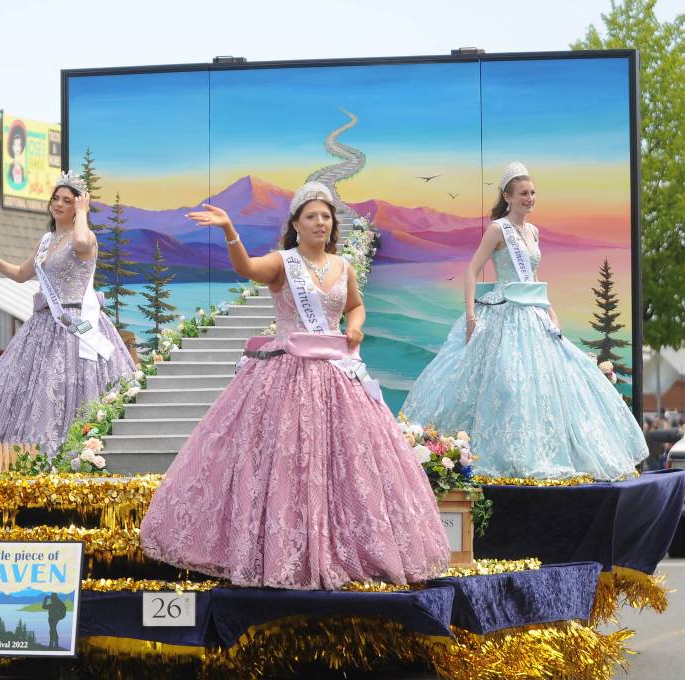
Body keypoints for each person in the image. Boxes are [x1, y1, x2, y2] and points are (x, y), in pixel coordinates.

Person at [140, 182, 451, 589]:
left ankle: (345, 548)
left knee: (345, 466)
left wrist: (355, 328)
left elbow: (355, 305)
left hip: (338, 376)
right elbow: (247, 269)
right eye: (311, 216)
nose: (320, 222)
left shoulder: (343, 267)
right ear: (296, 224)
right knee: (286, 463)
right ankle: (283, 553)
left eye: (326, 216)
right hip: (287, 375)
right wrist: (230, 229)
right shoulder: (282, 264)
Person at [401, 162, 647, 480]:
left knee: (545, 386)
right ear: (507, 196)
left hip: (532, 314)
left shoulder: (532, 232)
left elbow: (533, 278)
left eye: (532, 193)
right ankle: (485, 456)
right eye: (523, 193)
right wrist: (472, 315)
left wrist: (551, 312)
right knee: (505, 383)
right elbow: (472, 271)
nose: (529, 198)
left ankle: (540, 452)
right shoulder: (497, 229)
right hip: (503, 313)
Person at [0, 173, 135, 456]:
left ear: (77, 206)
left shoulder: (85, 237)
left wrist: (83, 213)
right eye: (56, 198)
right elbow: (22, 274)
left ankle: (81, 453)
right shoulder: (47, 240)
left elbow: (81, 244)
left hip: (76, 325)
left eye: (67, 201)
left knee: (70, 386)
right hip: (44, 325)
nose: (58, 204)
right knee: (34, 390)